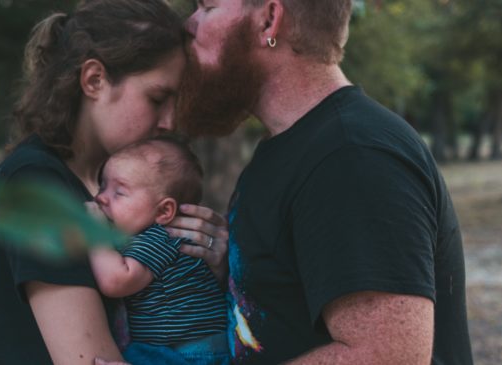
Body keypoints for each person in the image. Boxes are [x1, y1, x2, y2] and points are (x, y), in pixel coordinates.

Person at [176, 0, 474, 364]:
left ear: (269, 20)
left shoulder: (352, 156)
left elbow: (387, 357)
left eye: (207, 7)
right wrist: (239, 271)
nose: (189, 23)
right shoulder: (290, 146)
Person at [0, 1, 229, 364]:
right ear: (94, 80)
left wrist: (209, 268)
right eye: (157, 98)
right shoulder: (38, 186)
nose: (170, 121)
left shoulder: (103, 190)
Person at [87, 137, 229, 365]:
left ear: (164, 211)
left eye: (119, 192)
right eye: (102, 186)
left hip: (189, 354)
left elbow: (116, 281)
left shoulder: (162, 236)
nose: (100, 197)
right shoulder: (147, 234)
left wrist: (94, 232)